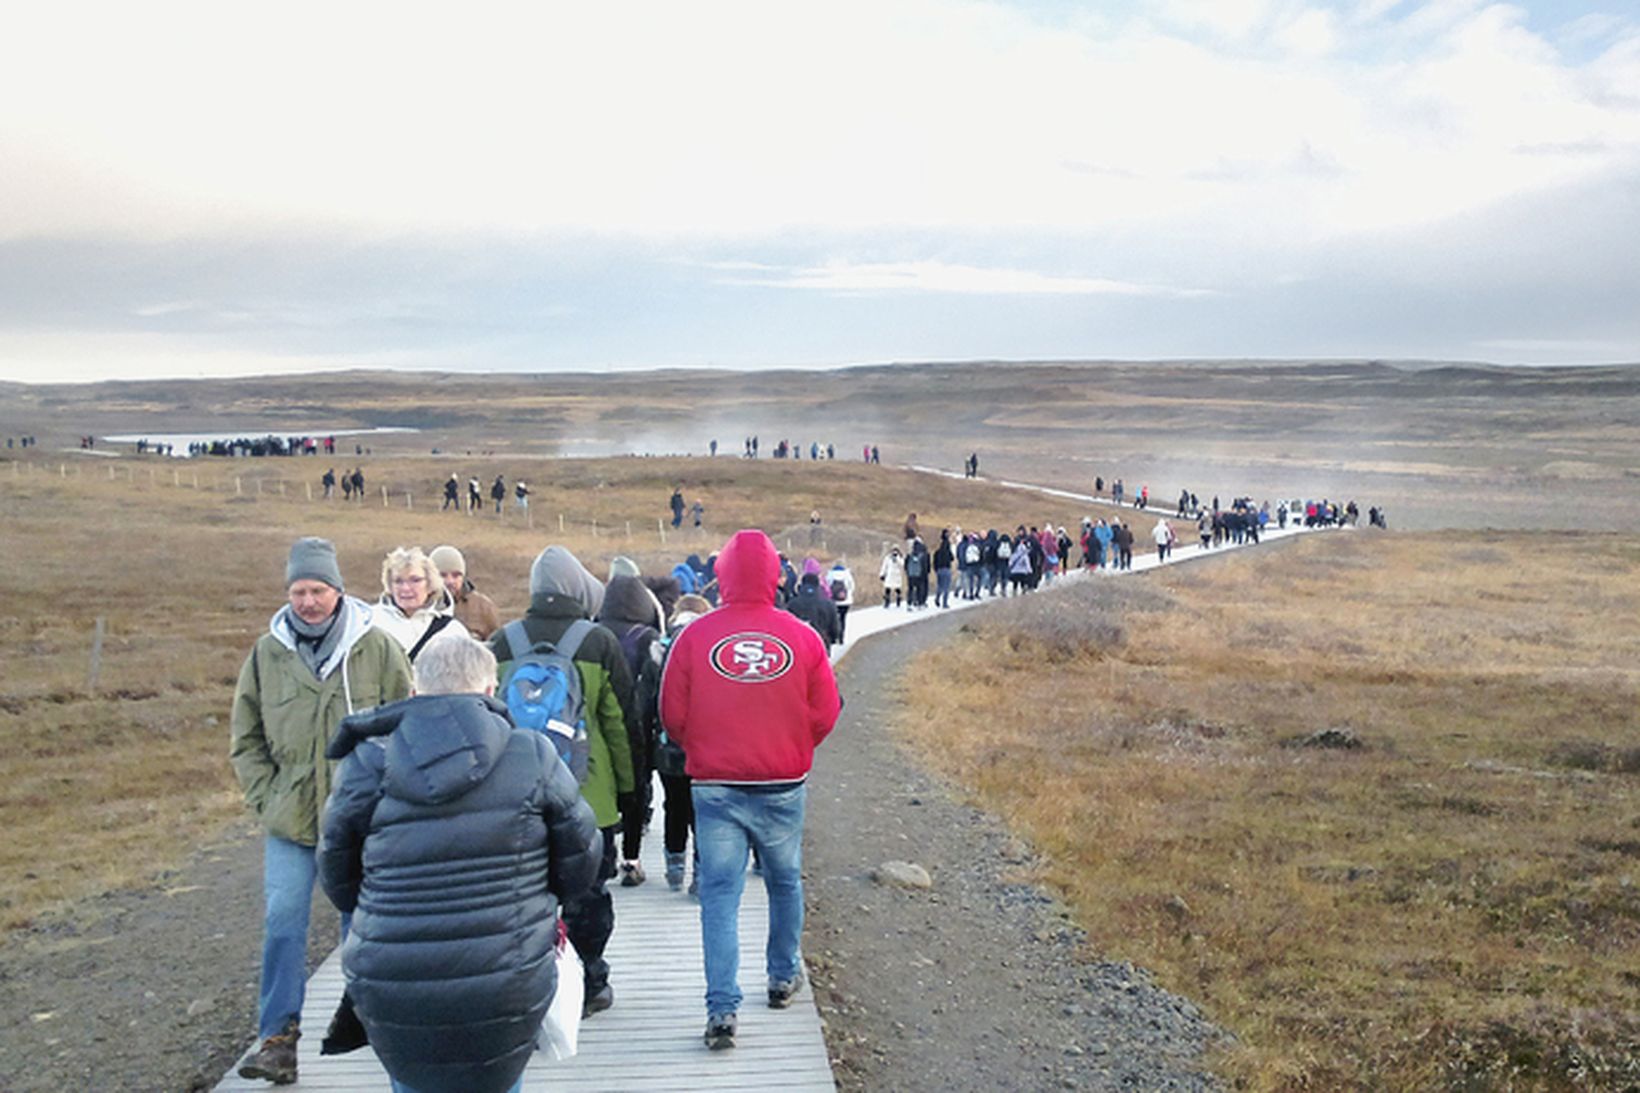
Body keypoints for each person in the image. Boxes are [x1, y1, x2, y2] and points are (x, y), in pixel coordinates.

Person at [318, 633, 600, 1093]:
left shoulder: (368, 762)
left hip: (394, 974)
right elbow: (581, 858)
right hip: (506, 972)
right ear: (490, 692)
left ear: (414, 692)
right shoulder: (531, 755)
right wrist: (535, 898)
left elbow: (337, 875)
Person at [232, 538, 412, 1085]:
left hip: (363, 823)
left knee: (364, 930)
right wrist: (267, 799)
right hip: (290, 823)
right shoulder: (267, 654)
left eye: (317, 590)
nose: (307, 601)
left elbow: (409, 726)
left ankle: (382, 1033)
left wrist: (392, 802)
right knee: (283, 923)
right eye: (298, 591)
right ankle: (278, 1039)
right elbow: (246, 739)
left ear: (337, 589)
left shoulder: (377, 648)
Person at [659, 529, 842, 1050]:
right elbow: (826, 711)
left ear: (721, 577)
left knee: (720, 895)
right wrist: (795, 745)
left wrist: (704, 746)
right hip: (783, 782)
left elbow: (672, 715)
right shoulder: (803, 637)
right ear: (776, 576)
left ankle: (722, 1009)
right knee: (785, 882)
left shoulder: (693, 637)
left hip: (715, 785)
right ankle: (783, 977)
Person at [489, 546, 636, 1017]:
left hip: (515, 794)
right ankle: (590, 980)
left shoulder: (502, 642)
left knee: (521, 894)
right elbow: (619, 725)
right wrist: (631, 794)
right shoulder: (598, 643)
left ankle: (525, 986)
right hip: (588, 795)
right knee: (588, 891)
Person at [596, 565, 667, 887]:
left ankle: (604, 852)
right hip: (639, 726)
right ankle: (632, 858)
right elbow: (659, 682)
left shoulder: (591, 633)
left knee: (605, 788)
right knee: (636, 792)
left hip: (600, 725)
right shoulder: (647, 637)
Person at [371, 546, 470, 661]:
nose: (406, 588)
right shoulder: (370, 623)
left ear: (430, 583)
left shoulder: (452, 631)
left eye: (415, 580)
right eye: (398, 581)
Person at [430, 544, 502, 641]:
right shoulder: (418, 607)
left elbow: (496, 646)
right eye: (442, 575)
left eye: (456, 575)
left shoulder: (484, 607)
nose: (450, 581)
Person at [785, 564, 841, 649]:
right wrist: (833, 639)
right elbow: (834, 627)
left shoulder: (792, 604)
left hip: (799, 645)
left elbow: (787, 628)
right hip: (822, 643)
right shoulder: (829, 604)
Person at [825, 560, 855, 641]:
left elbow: (827, 588)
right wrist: (848, 595)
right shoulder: (847, 575)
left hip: (833, 602)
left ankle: (834, 638)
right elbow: (852, 587)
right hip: (845, 602)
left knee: (833, 619)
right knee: (843, 618)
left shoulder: (830, 575)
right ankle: (842, 637)